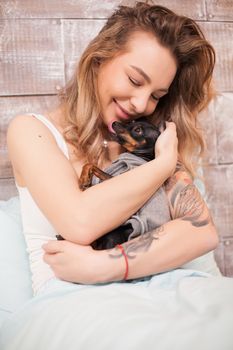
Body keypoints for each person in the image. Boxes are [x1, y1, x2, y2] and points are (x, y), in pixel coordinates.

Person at [7, 2, 219, 295]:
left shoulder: (145, 142)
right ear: (98, 59)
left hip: (160, 296)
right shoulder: (32, 131)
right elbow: (79, 222)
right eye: (134, 80)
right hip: (74, 306)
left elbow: (201, 232)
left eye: (157, 95)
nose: (141, 104)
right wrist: (162, 166)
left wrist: (103, 265)